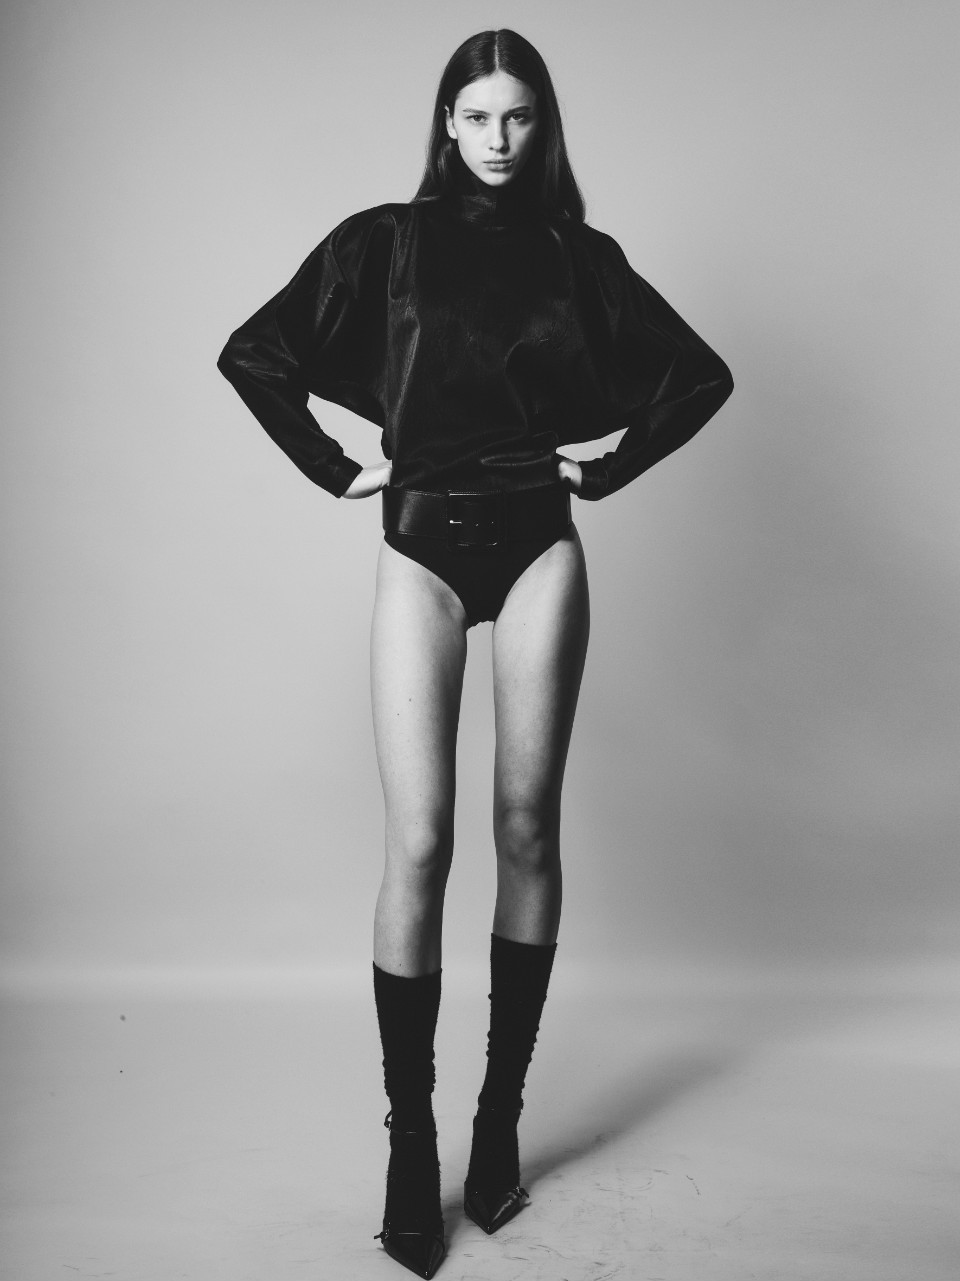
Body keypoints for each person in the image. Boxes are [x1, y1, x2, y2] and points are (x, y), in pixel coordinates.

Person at [218, 28, 733, 1279]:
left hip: (540, 543)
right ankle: (414, 1140)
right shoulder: (384, 244)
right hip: (422, 550)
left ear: (542, 126)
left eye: (521, 117)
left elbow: (700, 375)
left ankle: (499, 1119)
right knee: (420, 841)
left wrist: (605, 468)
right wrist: (336, 465)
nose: (500, 138)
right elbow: (255, 353)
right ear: (447, 123)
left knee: (526, 828)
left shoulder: (578, 258)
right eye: (480, 116)